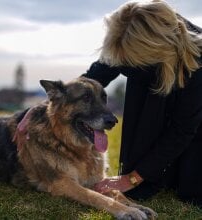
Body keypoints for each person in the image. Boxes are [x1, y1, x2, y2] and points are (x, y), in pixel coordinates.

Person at [14, 0, 202, 206]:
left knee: (191, 190)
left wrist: (132, 178)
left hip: (195, 122)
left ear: (154, 51)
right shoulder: (125, 35)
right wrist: (42, 107)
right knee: (146, 186)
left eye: (132, 61)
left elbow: (183, 128)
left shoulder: (195, 58)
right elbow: (90, 79)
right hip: (153, 101)